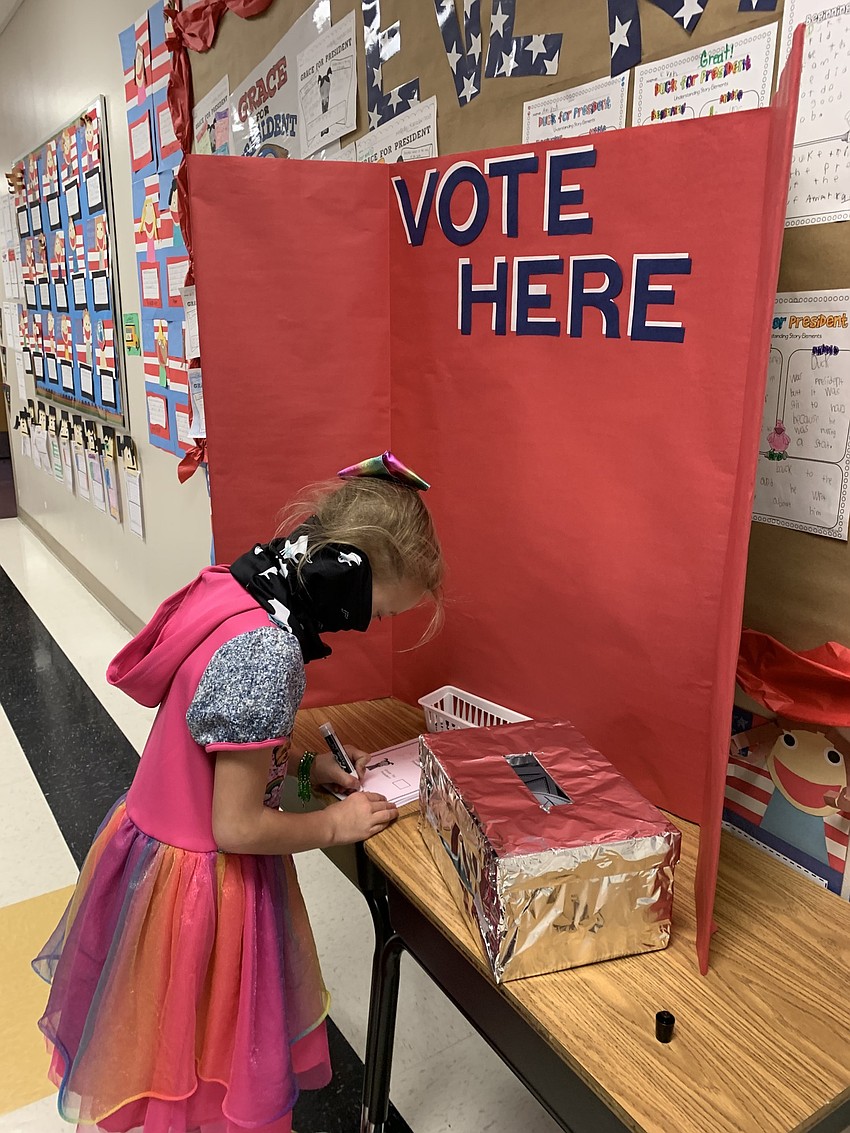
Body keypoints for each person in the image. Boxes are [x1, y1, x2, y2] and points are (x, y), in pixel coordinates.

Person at [32, 452, 443, 1133]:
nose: (369, 625)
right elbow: (238, 825)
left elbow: (223, 754)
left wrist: (308, 770)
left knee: (167, 1039)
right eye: (380, 608)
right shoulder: (270, 653)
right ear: (351, 571)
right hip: (205, 888)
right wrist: (335, 824)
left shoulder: (236, 592)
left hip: (152, 854)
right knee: (204, 1061)